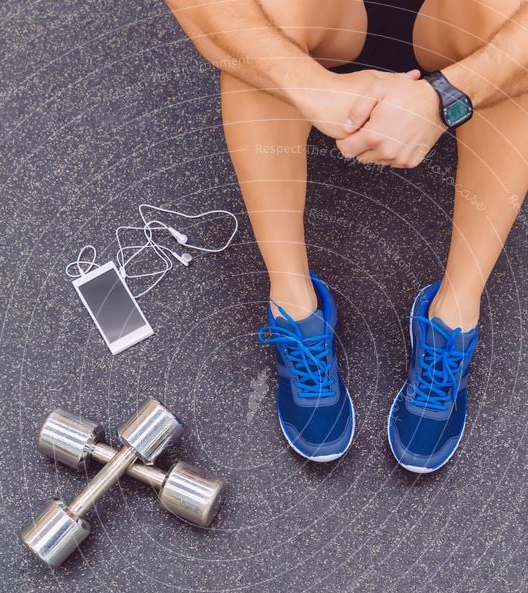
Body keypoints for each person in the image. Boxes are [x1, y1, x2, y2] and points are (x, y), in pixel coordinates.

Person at [164, 0, 528, 471]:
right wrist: (310, 88)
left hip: (453, 23)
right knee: (260, 34)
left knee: (512, 42)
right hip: (331, 16)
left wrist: (447, 96)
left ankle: (456, 311)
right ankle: (293, 301)